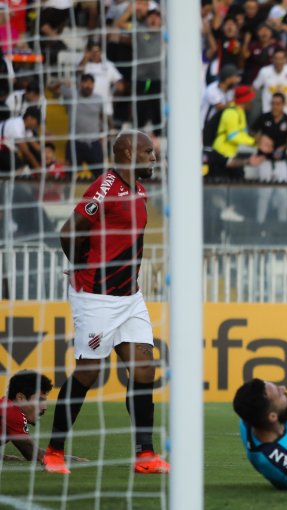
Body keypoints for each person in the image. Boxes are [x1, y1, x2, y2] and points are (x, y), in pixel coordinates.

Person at [43, 131, 169, 475]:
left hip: (130, 297)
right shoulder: (105, 187)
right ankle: (54, 451)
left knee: (144, 368)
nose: (153, 158)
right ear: (128, 152)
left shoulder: (138, 189)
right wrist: (83, 270)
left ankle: (146, 455)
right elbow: (69, 231)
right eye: (148, 151)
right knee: (89, 372)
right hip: (96, 297)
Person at [2, 371, 51, 461]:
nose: (44, 407)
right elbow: (33, 454)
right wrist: (66, 458)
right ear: (20, 398)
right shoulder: (11, 413)